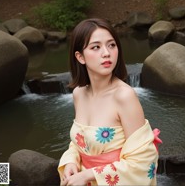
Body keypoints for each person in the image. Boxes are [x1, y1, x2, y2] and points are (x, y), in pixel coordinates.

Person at [58, 18, 162, 186]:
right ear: (80, 57)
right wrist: (71, 161)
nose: (106, 53)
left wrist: (88, 175)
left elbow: (143, 162)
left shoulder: (124, 96)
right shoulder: (79, 94)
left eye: (111, 45)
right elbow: (81, 141)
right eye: (96, 47)